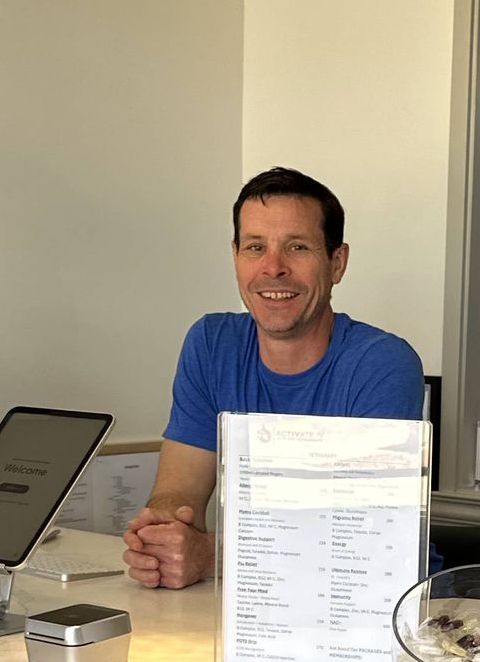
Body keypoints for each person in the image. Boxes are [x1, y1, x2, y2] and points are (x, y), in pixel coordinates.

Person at [124, 166, 425, 589]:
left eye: (297, 247)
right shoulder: (211, 344)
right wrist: (163, 535)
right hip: (258, 596)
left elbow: (360, 540)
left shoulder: (383, 363)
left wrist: (212, 554)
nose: (273, 268)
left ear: (336, 263)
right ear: (235, 257)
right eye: (254, 247)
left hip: (367, 602)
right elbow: (178, 490)